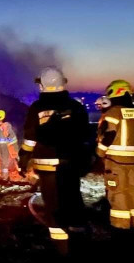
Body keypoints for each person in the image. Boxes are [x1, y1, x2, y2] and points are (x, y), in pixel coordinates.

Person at [20, 67, 90, 248]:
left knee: (53, 206)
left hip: (47, 168)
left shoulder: (36, 108)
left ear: (42, 85)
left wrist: (23, 159)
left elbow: (30, 138)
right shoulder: (76, 106)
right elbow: (85, 135)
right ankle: (81, 242)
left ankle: (61, 251)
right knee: (73, 199)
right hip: (71, 165)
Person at [94, 80, 134, 229]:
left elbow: (108, 135)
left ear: (115, 92)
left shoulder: (113, 112)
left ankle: (120, 228)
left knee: (118, 195)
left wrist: (99, 153)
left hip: (116, 163)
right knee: (132, 193)